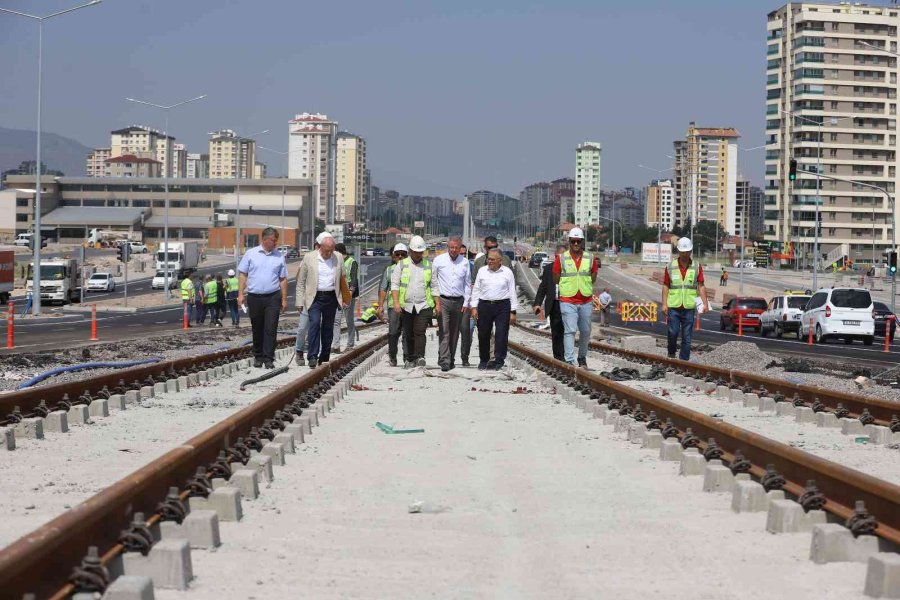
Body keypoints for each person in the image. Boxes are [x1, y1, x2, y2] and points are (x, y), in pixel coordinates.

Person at [237, 227, 289, 369]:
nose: (275, 243)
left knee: (271, 328)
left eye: (276, 240)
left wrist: (284, 299)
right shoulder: (251, 254)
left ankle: (269, 358)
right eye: (273, 240)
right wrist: (240, 294)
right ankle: (258, 356)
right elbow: (243, 275)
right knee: (257, 327)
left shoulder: (279, 256)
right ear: (265, 239)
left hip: (273, 297)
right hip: (254, 297)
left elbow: (283, 279)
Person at [295, 235, 348, 369]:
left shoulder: (338, 257)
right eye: (326, 251)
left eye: (331, 250)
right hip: (314, 298)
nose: (328, 253)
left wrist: (345, 298)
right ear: (320, 247)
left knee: (328, 328)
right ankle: (312, 356)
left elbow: (343, 279)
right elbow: (301, 281)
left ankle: (324, 356)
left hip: (331, 297)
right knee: (314, 324)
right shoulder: (309, 257)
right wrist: (299, 301)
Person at [553, 227, 598, 367]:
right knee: (570, 330)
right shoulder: (561, 258)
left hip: (585, 300)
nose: (576, 244)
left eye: (579, 241)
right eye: (574, 241)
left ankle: (582, 357)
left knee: (585, 331)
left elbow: (593, 277)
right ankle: (569, 360)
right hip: (568, 300)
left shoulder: (590, 258)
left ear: (582, 242)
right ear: (569, 242)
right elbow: (556, 278)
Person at [662, 236, 710, 361]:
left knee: (687, 337)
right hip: (674, 306)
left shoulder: (696, 266)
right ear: (678, 251)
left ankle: (684, 362)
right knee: (673, 332)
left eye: (687, 252)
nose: (684, 254)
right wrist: (664, 304)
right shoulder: (670, 266)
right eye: (682, 252)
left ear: (690, 251)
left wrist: (705, 303)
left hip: (689, 306)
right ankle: (671, 353)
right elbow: (666, 286)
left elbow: (701, 286)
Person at [471, 248, 517, 370]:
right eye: (488, 259)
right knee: (483, 334)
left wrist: (513, 311)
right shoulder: (482, 271)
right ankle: (484, 359)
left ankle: (499, 360)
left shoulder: (507, 272)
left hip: (502, 306)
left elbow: (512, 292)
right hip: (484, 305)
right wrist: (474, 307)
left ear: (499, 260)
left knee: (501, 333)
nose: (489, 261)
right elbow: (476, 289)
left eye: (492, 259)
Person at [391, 235, 433, 368]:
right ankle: (410, 358)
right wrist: (396, 303)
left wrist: (437, 304)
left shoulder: (429, 265)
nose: (418, 254)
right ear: (410, 251)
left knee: (420, 332)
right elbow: (395, 285)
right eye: (415, 252)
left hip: (424, 304)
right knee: (408, 333)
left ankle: (420, 357)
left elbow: (435, 286)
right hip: (406, 305)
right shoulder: (402, 265)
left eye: (420, 252)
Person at [431, 235, 471, 372]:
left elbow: (467, 283)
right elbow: (434, 282)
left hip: (459, 301)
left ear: (460, 248)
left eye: (456, 247)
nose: (453, 250)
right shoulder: (438, 260)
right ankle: (444, 360)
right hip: (443, 300)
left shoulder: (465, 263)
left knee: (454, 332)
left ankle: (451, 358)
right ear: (448, 247)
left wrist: (466, 302)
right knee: (444, 331)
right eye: (451, 247)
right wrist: (436, 302)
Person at [294, 231, 332, 366]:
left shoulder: (331, 257)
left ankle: (315, 354)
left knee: (321, 326)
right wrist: (300, 298)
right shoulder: (309, 258)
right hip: (308, 299)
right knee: (304, 326)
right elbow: (300, 279)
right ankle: (299, 350)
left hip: (326, 298)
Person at [533, 243, 566, 361]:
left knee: (567, 331)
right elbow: (543, 287)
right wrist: (537, 303)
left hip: (568, 303)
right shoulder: (548, 269)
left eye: (562, 257)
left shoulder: (571, 269)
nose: (560, 260)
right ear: (555, 256)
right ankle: (558, 358)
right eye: (558, 257)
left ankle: (567, 356)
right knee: (556, 331)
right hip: (554, 304)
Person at [378, 243, 408, 366]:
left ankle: (407, 357)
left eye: (403, 254)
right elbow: (383, 288)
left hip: (408, 305)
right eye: (397, 254)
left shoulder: (411, 268)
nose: (400, 256)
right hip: (393, 306)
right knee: (393, 332)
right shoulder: (389, 270)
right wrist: (380, 306)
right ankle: (392, 356)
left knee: (407, 333)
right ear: (393, 256)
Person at [332, 242, 359, 354]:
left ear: (339, 252)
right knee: (336, 320)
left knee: (349, 320)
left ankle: (350, 344)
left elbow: (353, 280)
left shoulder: (352, 262)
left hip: (348, 295)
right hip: (338, 294)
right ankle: (336, 345)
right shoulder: (336, 262)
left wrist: (349, 295)